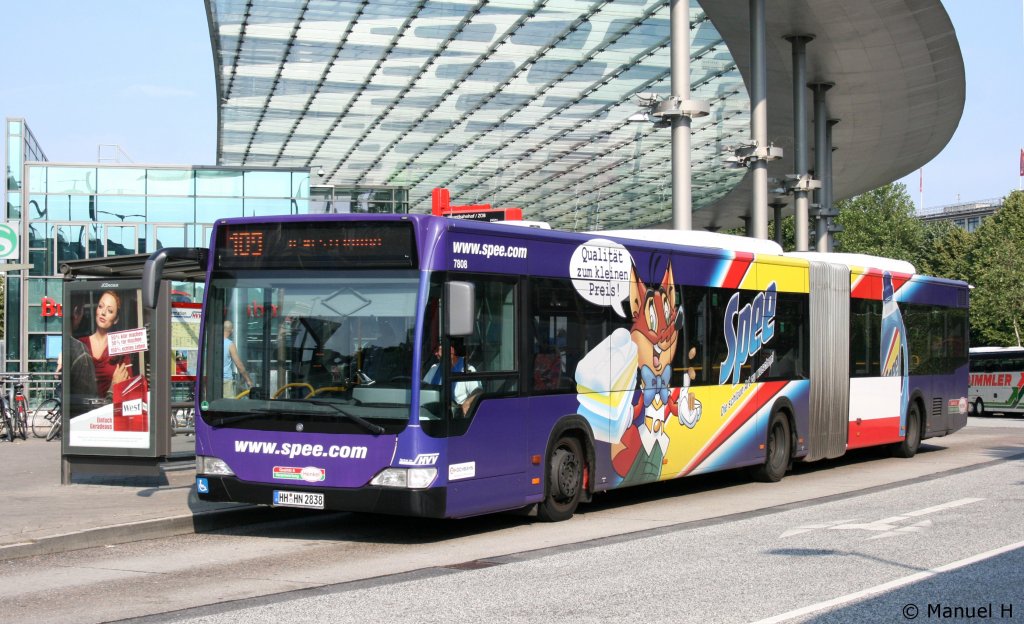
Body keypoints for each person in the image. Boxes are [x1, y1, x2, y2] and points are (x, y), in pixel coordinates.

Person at [79, 290, 131, 397]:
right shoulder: (80, 344)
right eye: (100, 306)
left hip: (109, 410)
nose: (103, 313)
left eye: (110, 311)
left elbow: (127, 388)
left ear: (116, 319)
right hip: (83, 411)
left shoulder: (120, 349)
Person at [424, 343, 481, 414]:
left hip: (455, 414)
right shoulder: (434, 368)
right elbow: (424, 388)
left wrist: (468, 402)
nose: (435, 353)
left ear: (451, 349)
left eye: (437, 350)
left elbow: (478, 391)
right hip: (433, 412)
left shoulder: (467, 369)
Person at [223, 320, 253, 397]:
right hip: (226, 381)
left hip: (211, 382)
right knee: (227, 406)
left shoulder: (213, 342)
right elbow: (239, 364)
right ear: (232, 330)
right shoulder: (230, 344)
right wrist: (248, 380)